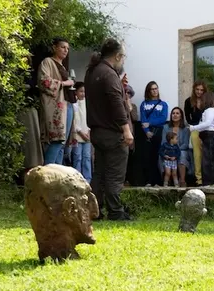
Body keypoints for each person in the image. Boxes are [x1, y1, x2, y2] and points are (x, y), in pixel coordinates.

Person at [85, 38, 133, 221]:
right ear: (118, 56)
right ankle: (116, 211)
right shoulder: (109, 74)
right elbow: (116, 104)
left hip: (97, 131)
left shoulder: (92, 71)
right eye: (123, 57)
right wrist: (126, 130)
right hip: (113, 134)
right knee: (114, 175)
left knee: (99, 174)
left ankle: (94, 210)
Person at [38, 37, 75, 165]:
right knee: (56, 140)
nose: (66, 50)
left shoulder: (62, 66)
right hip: (56, 107)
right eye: (63, 47)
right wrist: (65, 83)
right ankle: (47, 171)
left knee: (62, 142)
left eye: (67, 48)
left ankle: (57, 175)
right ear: (54, 47)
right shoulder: (48, 62)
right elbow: (44, 81)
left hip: (67, 104)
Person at [140, 81, 168, 186]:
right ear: (149, 91)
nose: (155, 91)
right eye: (152, 89)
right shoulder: (144, 104)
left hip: (158, 131)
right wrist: (146, 131)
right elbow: (143, 119)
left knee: (157, 156)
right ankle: (148, 180)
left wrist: (150, 123)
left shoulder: (163, 104)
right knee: (147, 157)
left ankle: (158, 181)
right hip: (146, 132)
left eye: (156, 88)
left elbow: (163, 118)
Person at [189, 91, 214, 185]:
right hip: (206, 136)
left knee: (208, 161)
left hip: (209, 135)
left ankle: (209, 182)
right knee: (207, 160)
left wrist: (193, 128)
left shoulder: (210, 110)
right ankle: (207, 182)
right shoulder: (210, 110)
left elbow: (207, 123)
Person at [161, 107, 191, 186]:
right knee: (163, 155)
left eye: (177, 113)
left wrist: (175, 150)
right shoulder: (166, 127)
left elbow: (185, 144)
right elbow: (163, 142)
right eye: (173, 113)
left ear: (181, 116)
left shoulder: (185, 128)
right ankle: (168, 180)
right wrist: (169, 151)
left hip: (181, 150)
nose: (175, 115)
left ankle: (182, 180)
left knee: (182, 154)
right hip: (167, 150)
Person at [185, 81, 207, 185]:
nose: (199, 92)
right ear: (194, 89)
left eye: (201, 90)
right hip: (195, 129)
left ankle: (207, 177)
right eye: (197, 89)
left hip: (206, 129)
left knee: (207, 153)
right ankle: (199, 179)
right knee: (197, 153)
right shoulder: (188, 101)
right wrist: (195, 126)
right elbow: (188, 119)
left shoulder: (207, 101)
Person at [71, 82, 92, 182]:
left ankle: (87, 179)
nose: (83, 94)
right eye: (81, 91)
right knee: (77, 157)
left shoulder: (88, 103)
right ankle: (77, 179)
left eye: (84, 92)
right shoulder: (74, 104)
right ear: (76, 92)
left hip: (87, 135)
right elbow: (74, 121)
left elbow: (89, 118)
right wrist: (80, 132)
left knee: (87, 157)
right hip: (77, 135)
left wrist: (88, 131)